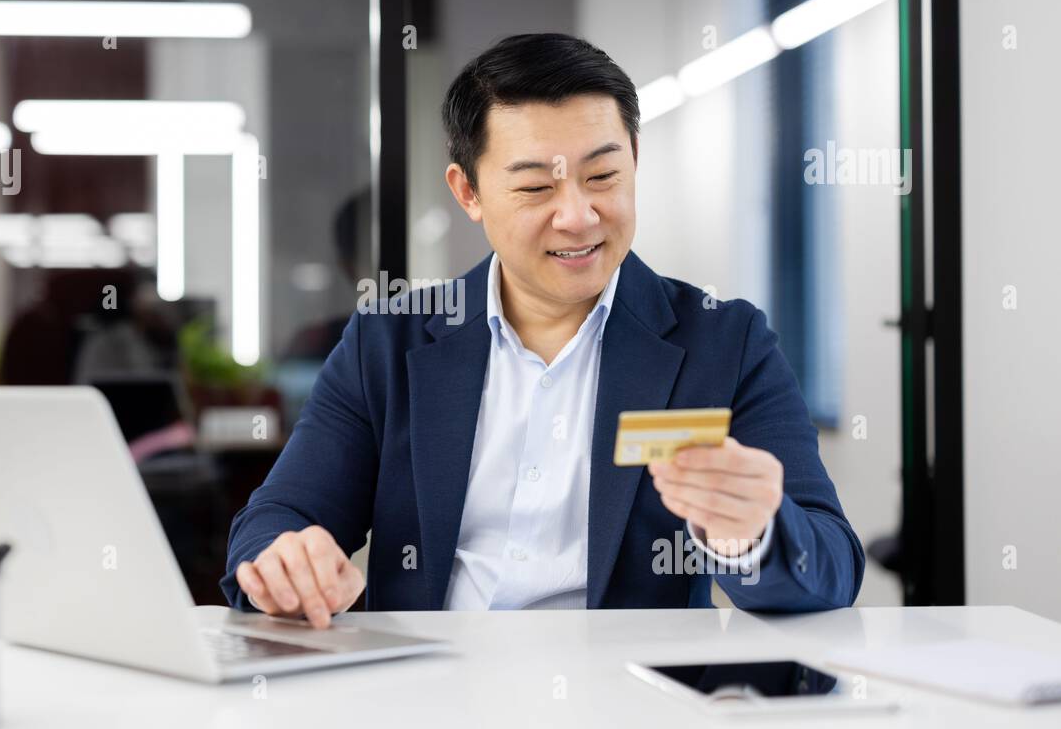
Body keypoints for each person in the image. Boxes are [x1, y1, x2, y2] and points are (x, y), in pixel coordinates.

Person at [221, 33, 864, 627]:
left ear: (635, 160)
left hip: (626, 705)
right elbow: (277, 517)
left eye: (603, 177)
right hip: (426, 700)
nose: (578, 217)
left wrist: (754, 533)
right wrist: (284, 560)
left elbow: (831, 567)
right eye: (535, 187)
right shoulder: (387, 343)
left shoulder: (726, 343)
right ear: (468, 192)